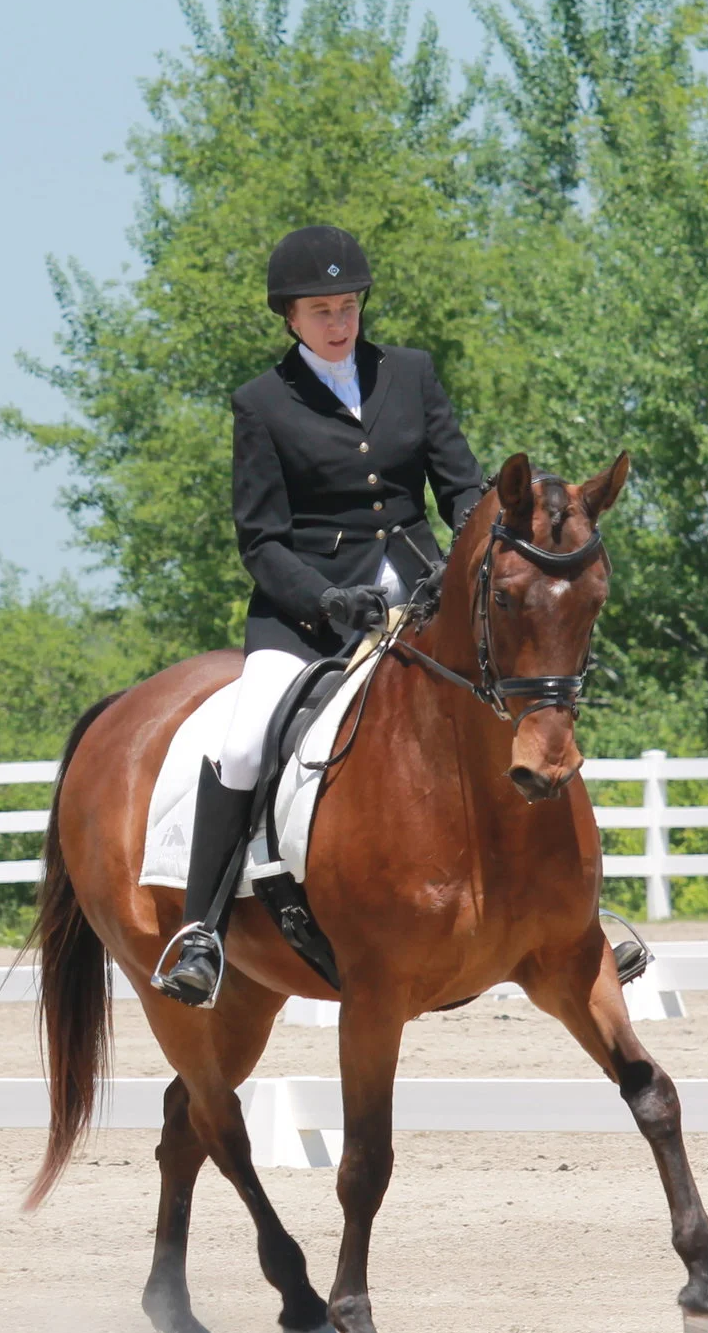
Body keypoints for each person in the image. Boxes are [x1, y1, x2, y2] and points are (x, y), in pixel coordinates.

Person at [152, 224, 488, 1006]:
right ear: (291, 318)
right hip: (307, 614)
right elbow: (261, 541)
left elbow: (462, 486)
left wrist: (473, 546)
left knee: (515, 704)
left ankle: (572, 908)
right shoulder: (262, 404)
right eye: (321, 311)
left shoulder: (411, 373)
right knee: (243, 742)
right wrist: (323, 598)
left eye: (348, 306)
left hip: (421, 595)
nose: (339, 322)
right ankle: (201, 932)